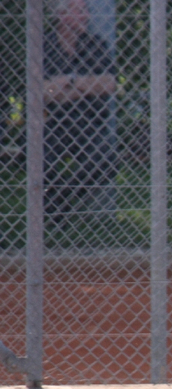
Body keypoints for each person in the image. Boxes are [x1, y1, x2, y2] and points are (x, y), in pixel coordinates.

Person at [43, 0, 117, 229]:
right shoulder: (43, 45)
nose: (86, 16)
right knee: (37, 155)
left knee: (108, 156)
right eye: (79, 10)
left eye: (86, 10)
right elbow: (42, 92)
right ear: (62, 14)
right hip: (52, 123)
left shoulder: (95, 45)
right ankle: (52, 209)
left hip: (89, 123)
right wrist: (86, 86)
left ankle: (61, 198)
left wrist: (70, 82)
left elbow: (109, 84)